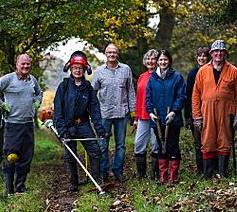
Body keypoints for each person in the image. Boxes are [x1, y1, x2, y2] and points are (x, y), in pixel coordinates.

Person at [0, 54, 43, 197]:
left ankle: (20, 187)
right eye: (22, 64)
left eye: (28, 64)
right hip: (12, 124)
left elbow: (39, 93)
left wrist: (37, 101)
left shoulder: (32, 80)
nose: (25, 67)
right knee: (11, 157)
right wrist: (1, 104)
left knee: (26, 157)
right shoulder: (8, 79)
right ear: (17, 65)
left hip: (28, 124)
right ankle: (9, 190)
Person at [53, 51, 106, 192]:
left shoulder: (88, 88)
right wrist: (62, 130)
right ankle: (73, 183)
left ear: (85, 70)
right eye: (75, 67)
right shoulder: (63, 87)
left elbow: (94, 109)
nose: (77, 70)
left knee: (95, 151)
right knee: (70, 155)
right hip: (67, 125)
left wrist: (100, 129)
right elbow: (58, 111)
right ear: (70, 68)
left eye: (80, 68)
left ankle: (96, 180)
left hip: (83, 124)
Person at [192, 39, 237, 180]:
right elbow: (195, 95)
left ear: (225, 53)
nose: (219, 54)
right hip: (206, 111)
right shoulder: (202, 71)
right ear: (211, 53)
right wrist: (196, 117)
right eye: (216, 51)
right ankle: (207, 174)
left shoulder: (233, 71)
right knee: (207, 141)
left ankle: (222, 173)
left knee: (224, 141)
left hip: (226, 112)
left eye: (221, 51)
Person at [92, 43, 136, 183]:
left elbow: (130, 91)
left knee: (121, 145)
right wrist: (93, 113)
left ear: (118, 54)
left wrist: (133, 114)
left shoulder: (126, 69)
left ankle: (118, 171)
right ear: (105, 54)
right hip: (104, 114)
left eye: (114, 52)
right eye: (109, 52)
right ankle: (103, 172)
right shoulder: (99, 72)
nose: (112, 55)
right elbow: (93, 93)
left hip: (122, 113)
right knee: (103, 144)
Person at [146, 50, 186, 183]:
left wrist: (174, 111)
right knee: (161, 146)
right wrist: (150, 112)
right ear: (157, 62)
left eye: (165, 60)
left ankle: (173, 176)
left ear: (169, 61)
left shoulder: (177, 77)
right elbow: (149, 98)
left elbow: (181, 97)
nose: (163, 62)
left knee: (173, 145)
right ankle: (163, 177)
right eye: (161, 60)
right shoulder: (153, 79)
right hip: (158, 119)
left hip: (173, 119)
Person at [133, 49, 159, 180]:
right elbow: (138, 99)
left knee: (156, 144)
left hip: (156, 116)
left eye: (153, 59)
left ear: (157, 61)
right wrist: (136, 118)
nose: (150, 61)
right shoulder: (142, 77)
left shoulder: (160, 76)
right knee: (139, 144)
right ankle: (141, 174)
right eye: (148, 59)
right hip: (142, 116)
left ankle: (155, 173)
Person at [184, 47, 210, 175]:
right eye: (199, 56)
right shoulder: (193, 73)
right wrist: (187, 116)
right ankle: (200, 168)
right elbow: (188, 95)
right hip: (195, 113)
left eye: (204, 56)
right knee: (198, 141)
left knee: (210, 140)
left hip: (210, 112)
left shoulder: (213, 71)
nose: (202, 58)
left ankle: (211, 167)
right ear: (196, 58)